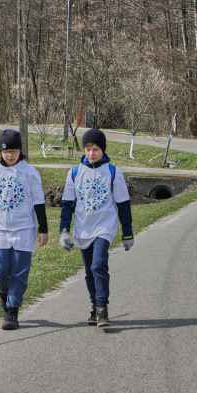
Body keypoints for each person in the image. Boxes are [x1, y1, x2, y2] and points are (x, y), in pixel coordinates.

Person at [59, 128, 134, 329]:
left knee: (98, 265)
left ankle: (102, 308)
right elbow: (67, 205)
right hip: (83, 228)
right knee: (89, 271)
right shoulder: (74, 173)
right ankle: (94, 305)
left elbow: (123, 204)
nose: (92, 153)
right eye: (88, 149)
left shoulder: (113, 172)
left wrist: (127, 232)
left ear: (103, 150)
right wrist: (64, 231)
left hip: (104, 227)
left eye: (96, 149)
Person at [0, 129, 48, 330]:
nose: (10, 155)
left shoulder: (30, 173)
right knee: (0, 272)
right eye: (6, 151)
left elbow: (39, 203)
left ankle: (12, 311)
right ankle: (4, 294)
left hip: (24, 229)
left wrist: (43, 229)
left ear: (20, 151)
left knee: (19, 272)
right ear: (0, 151)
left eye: (14, 151)